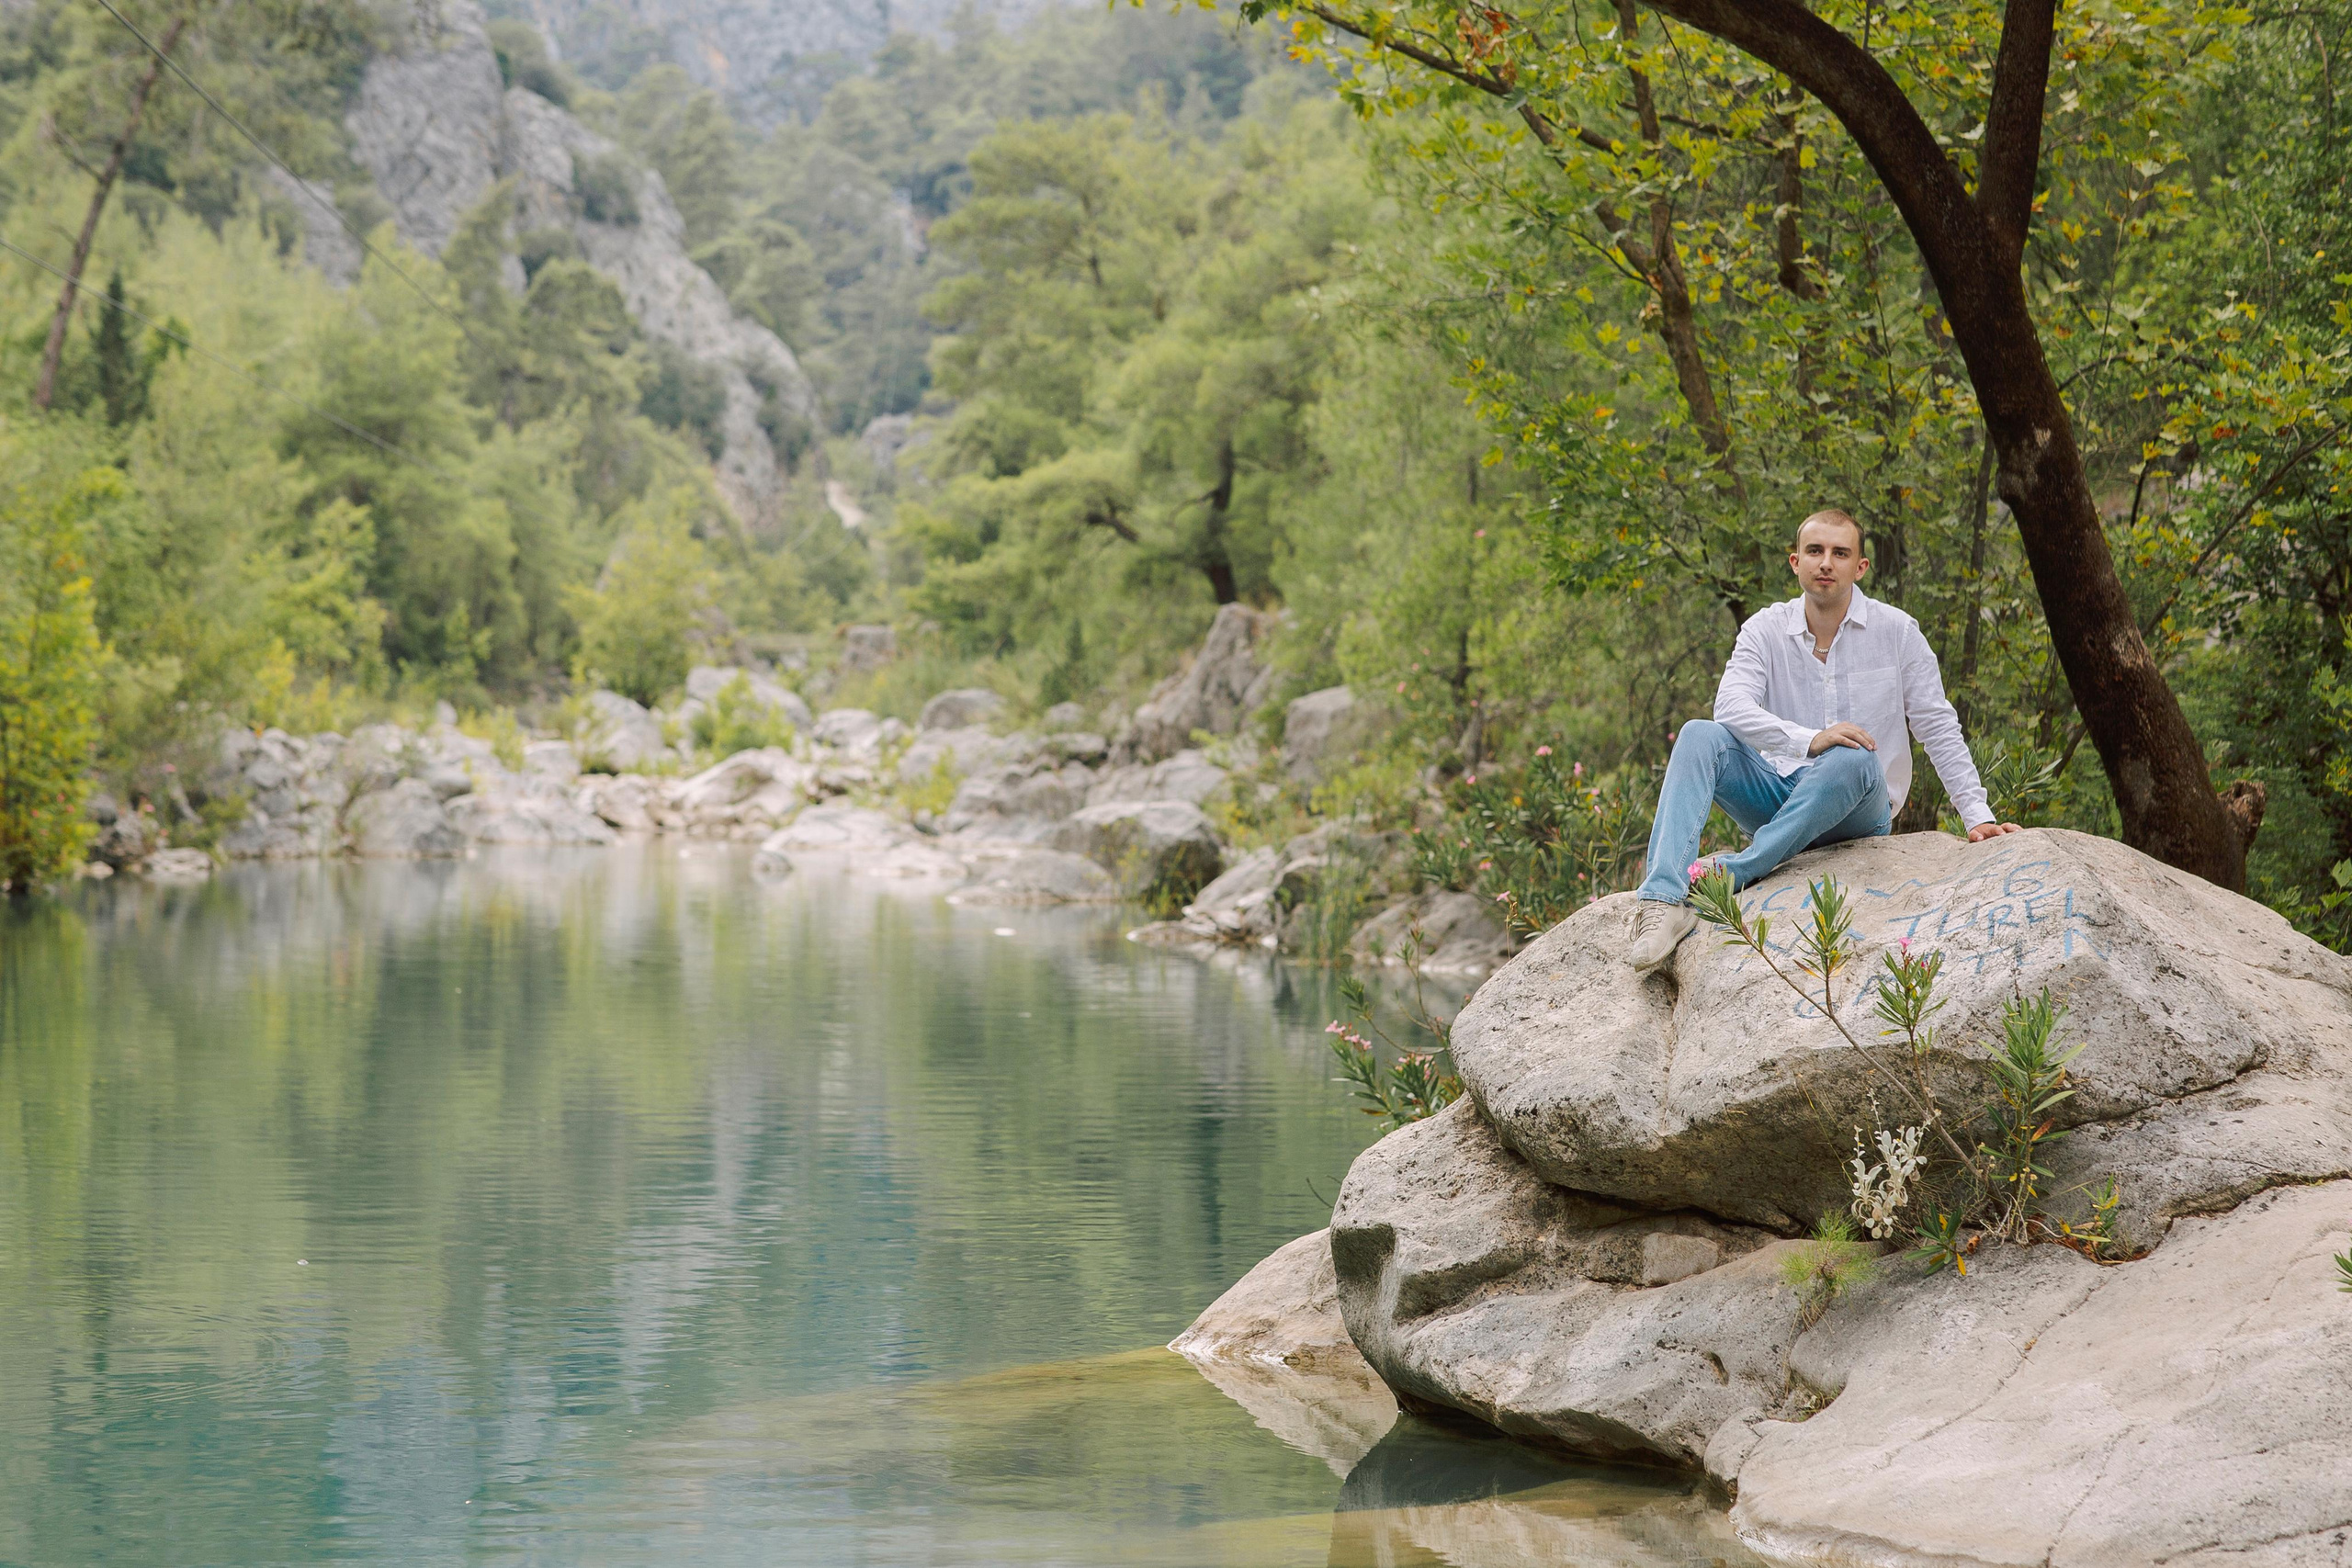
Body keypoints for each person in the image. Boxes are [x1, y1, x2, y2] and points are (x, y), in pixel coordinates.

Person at [1626, 508, 2020, 971]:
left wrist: (1976, 814)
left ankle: (1740, 871)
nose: (1826, 563)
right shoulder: (1764, 629)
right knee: (1699, 735)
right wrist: (1809, 739)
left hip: (1857, 810)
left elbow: (1936, 724)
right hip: (1779, 798)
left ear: (1860, 567)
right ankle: (1663, 902)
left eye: (1840, 553)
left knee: (1853, 757)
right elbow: (1730, 708)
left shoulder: (1898, 632)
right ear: (1795, 562)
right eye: (1815, 551)